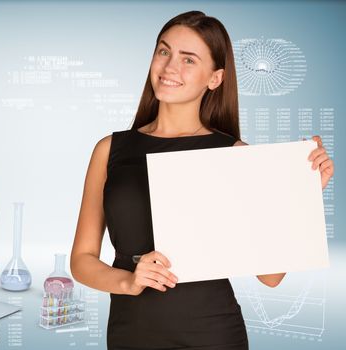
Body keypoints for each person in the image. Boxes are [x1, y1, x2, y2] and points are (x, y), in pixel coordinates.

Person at [70, 10, 335, 350]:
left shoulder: (236, 154)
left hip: (212, 335)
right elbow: (82, 259)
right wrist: (128, 282)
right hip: (129, 333)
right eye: (164, 51)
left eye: (188, 60)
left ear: (215, 78)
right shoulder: (110, 150)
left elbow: (270, 277)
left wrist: (301, 195)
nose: (169, 68)